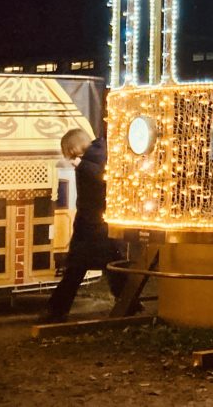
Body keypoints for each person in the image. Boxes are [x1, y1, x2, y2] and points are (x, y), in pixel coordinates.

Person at [39, 129, 126, 323]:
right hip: (102, 224)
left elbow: (101, 176)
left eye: (69, 151)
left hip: (92, 225)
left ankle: (57, 310)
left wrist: (81, 165)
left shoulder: (90, 160)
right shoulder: (102, 152)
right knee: (113, 267)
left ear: (73, 148)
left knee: (76, 269)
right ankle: (128, 302)